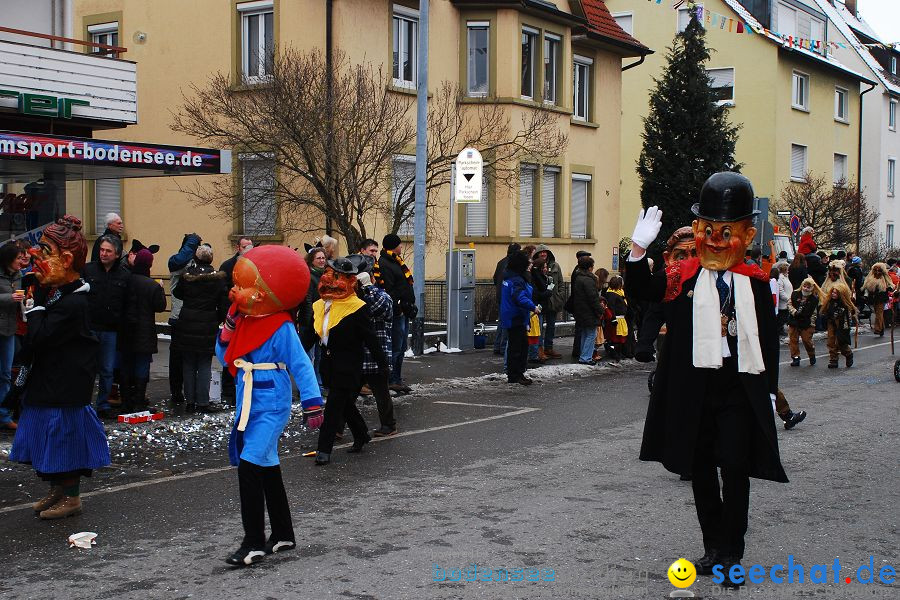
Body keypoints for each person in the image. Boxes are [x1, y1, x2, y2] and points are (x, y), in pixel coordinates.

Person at [626, 173, 786, 585]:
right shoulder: (682, 277)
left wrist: (769, 393)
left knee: (734, 466)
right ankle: (712, 547)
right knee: (699, 469)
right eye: (709, 230)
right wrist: (638, 248)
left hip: (737, 388)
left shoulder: (756, 281)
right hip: (693, 388)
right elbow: (643, 288)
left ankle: (732, 553)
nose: (716, 240)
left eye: (727, 232)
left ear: (746, 234)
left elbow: (768, 342)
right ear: (698, 230)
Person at [216, 245, 323, 566]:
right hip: (248, 399)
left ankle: (253, 542)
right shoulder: (245, 320)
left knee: (250, 465)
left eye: (246, 285)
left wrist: (312, 402)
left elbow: (301, 364)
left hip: (272, 404)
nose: (237, 291)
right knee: (266, 467)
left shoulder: (282, 327)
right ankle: (283, 533)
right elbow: (226, 358)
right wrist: (228, 327)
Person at [8, 216, 108, 519]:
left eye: (45, 250)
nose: (35, 256)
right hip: (48, 383)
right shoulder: (57, 293)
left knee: (64, 441)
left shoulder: (73, 303)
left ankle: (72, 497)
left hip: (65, 388)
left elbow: (38, 337)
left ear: (65, 260)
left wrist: (33, 305)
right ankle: (56, 490)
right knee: (45, 440)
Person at [313, 258, 388, 465]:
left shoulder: (357, 307)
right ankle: (361, 434)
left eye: (336, 276)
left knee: (334, 406)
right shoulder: (320, 306)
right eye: (328, 273)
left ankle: (324, 449)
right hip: (328, 365)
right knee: (345, 404)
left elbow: (370, 338)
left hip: (348, 365)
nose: (330, 280)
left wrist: (382, 365)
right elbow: (312, 335)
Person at [172, 243, 229, 414]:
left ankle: (190, 401)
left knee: (188, 363)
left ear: (196, 257)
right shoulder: (218, 279)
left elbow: (177, 293)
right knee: (204, 362)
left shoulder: (187, 277)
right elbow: (223, 303)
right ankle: (203, 401)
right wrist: (216, 318)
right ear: (211, 258)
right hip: (207, 322)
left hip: (187, 322)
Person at [81, 235, 128, 419]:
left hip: (111, 329)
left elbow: (126, 303)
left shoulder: (124, 275)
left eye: (108, 251)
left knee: (107, 370)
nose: (104, 253)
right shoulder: (88, 269)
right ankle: (84, 403)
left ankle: (102, 404)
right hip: (90, 326)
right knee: (88, 368)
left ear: (116, 254)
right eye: (102, 250)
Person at [349, 254, 396, 437]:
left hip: (376, 357)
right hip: (358, 355)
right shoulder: (353, 297)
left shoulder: (381, 295)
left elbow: (378, 308)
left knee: (381, 394)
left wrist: (368, 288)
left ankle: (389, 425)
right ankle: (336, 426)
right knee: (348, 395)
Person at [119, 249, 166, 413]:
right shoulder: (151, 285)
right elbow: (160, 307)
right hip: (144, 331)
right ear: (150, 265)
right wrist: (160, 289)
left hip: (125, 330)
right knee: (141, 365)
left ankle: (125, 400)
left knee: (125, 365)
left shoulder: (125, 280)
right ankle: (139, 400)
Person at [375, 234, 415, 392]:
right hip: (396, 312)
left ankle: (397, 377)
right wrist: (399, 305)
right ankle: (392, 379)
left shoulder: (396, 262)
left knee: (402, 345)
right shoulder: (386, 263)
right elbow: (390, 288)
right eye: (399, 244)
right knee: (396, 347)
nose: (401, 247)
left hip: (403, 310)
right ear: (393, 246)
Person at [167, 233, 202, 405]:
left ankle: (179, 391)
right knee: (183, 357)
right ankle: (180, 391)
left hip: (180, 316)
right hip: (182, 317)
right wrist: (193, 242)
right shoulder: (180, 263)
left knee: (181, 357)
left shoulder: (179, 264)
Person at [500, 250, 537, 384]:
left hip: (514, 315)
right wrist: (533, 307)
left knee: (519, 346)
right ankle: (515, 375)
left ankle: (517, 373)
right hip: (516, 316)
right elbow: (519, 297)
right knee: (517, 348)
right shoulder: (516, 280)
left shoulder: (510, 277)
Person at [0, 241, 24, 431]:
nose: (21, 262)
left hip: (9, 328)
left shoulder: (18, 276)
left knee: (6, 373)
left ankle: (4, 414)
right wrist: (10, 298)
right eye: (18, 258)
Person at [570, 255, 603, 365]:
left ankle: (583, 355)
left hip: (580, 310)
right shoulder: (588, 280)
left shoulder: (578, 277)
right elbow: (593, 298)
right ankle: (586, 357)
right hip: (588, 311)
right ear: (589, 267)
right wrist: (600, 310)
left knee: (585, 333)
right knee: (591, 334)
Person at [534, 245, 564, 358]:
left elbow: (560, 282)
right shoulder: (535, 267)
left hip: (553, 301)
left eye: (545, 252)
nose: (543, 254)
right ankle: (539, 349)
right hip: (541, 301)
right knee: (539, 327)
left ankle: (549, 348)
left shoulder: (555, 266)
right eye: (540, 252)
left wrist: (560, 296)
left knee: (551, 326)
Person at [493, 243, 520, 356]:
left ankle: (497, 345)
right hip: (507, 297)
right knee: (506, 323)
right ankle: (504, 347)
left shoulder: (501, 262)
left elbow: (495, 278)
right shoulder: (513, 264)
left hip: (500, 295)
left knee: (501, 321)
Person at [787, 277, 820, 367]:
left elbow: (813, 313)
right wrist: (794, 312)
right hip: (794, 320)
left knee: (806, 340)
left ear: (812, 288)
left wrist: (812, 324)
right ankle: (795, 357)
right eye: (804, 286)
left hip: (806, 322)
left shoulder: (814, 299)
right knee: (793, 340)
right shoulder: (795, 294)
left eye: (808, 287)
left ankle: (811, 354)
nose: (805, 288)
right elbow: (789, 304)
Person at [822, 282, 856, 368]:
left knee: (841, 343)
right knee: (831, 341)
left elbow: (850, 314)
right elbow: (825, 311)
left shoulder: (845, 304)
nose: (833, 294)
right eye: (832, 292)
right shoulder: (829, 302)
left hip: (842, 325)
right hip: (831, 323)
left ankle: (848, 354)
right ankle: (833, 359)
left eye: (836, 293)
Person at [528, 255, 551, 363]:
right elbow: (537, 294)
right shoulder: (536, 278)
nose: (546, 269)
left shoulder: (540, 277)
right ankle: (535, 354)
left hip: (540, 307)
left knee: (538, 331)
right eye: (544, 267)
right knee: (537, 332)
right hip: (537, 308)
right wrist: (548, 291)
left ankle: (538, 353)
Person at [862, 262, 893, 337]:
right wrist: (865, 296)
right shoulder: (870, 278)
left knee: (879, 313)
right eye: (875, 270)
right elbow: (866, 287)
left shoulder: (884, 277)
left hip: (881, 298)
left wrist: (889, 288)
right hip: (873, 298)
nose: (877, 272)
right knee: (877, 312)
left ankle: (878, 328)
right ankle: (881, 328)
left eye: (879, 270)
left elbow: (890, 285)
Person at [603, 276, 629, 361]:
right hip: (616, 320)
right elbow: (611, 307)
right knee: (614, 339)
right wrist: (613, 318)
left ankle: (618, 352)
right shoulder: (612, 294)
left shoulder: (619, 293)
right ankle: (613, 351)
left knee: (620, 338)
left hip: (621, 319)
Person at [776, 263, 793, 335]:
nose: (788, 270)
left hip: (787, 301)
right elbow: (781, 291)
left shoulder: (786, 277)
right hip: (784, 302)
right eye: (787, 269)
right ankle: (779, 330)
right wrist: (787, 299)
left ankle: (781, 329)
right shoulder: (780, 278)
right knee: (782, 317)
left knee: (784, 316)